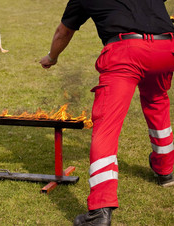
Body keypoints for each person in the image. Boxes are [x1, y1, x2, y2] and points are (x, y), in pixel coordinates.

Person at [40, 0, 174, 225]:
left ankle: (100, 210)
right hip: (166, 49)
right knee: (157, 102)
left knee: (106, 127)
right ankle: (166, 171)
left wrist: (51, 57)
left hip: (126, 52)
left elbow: (63, 32)